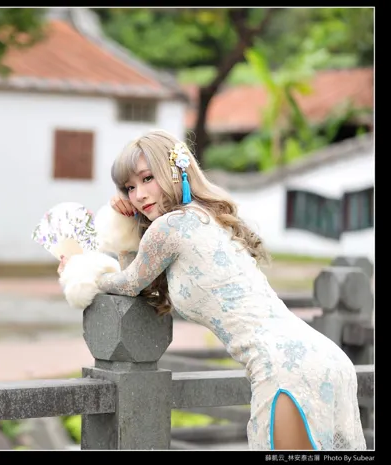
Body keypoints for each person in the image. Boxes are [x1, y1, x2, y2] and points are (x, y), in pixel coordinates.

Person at [57, 129, 367, 451]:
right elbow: (141, 277)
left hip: (285, 369)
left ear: (176, 171)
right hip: (324, 357)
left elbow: (130, 283)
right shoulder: (208, 218)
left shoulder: (169, 227)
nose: (138, 195)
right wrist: (130, 228)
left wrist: (81, 270)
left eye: (148, 179)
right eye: (129, 188)